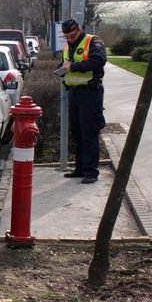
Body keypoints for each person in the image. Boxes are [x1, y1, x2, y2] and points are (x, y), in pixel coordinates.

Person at [59, 18, 107, 184]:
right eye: (67, 37)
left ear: (79, 30)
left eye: (72, 36)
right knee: (78, 133)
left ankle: (91, 172)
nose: (70, 39)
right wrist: (62, 67)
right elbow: (66, 63)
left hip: (90, 93)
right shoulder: (68, 46)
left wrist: (73, 67)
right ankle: (80, 169)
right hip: (75, 93)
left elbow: (98, 61)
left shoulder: (93, 41)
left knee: (89, 133)